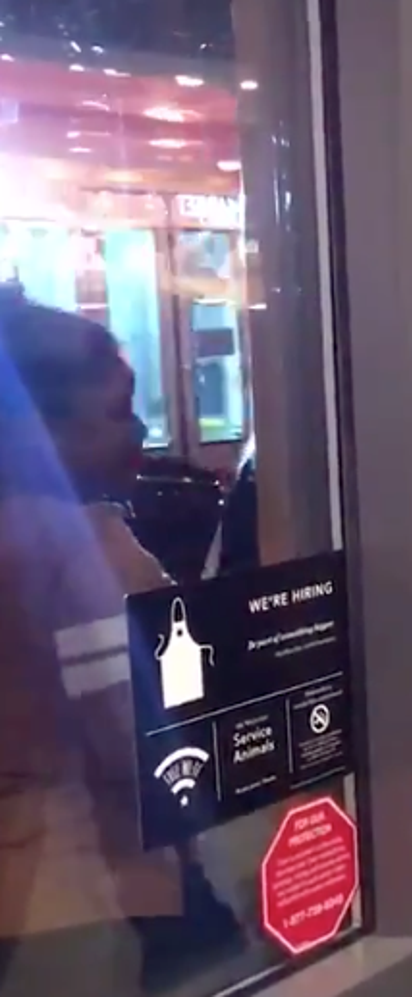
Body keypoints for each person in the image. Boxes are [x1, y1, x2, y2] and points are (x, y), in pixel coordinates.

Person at [0, 290, 242, 994]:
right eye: (115, 412)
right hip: (91, 890)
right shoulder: (80, 550)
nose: (139, 428)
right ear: (35, 433)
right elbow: (133, 733)